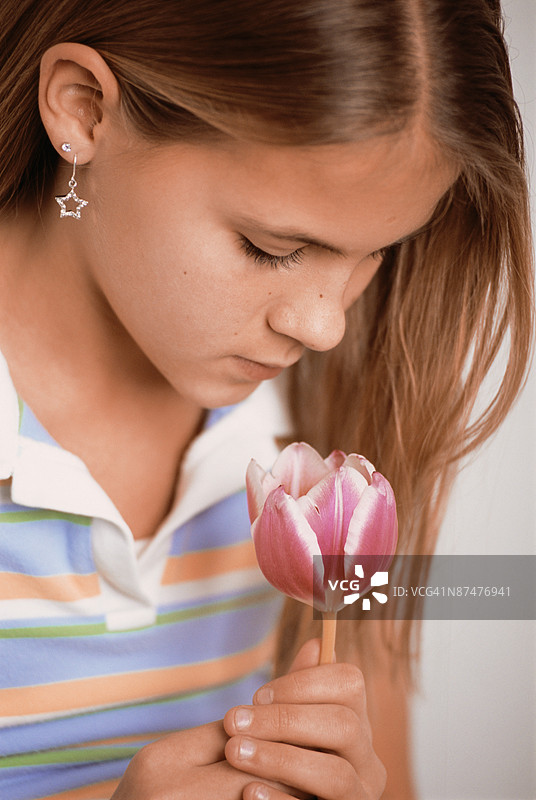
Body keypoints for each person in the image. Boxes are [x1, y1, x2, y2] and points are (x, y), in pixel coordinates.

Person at [0, 1, 532, 799]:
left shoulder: (331, 437)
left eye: (378, 251)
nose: (325, 325)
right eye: (273, 247)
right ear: (83, 109)